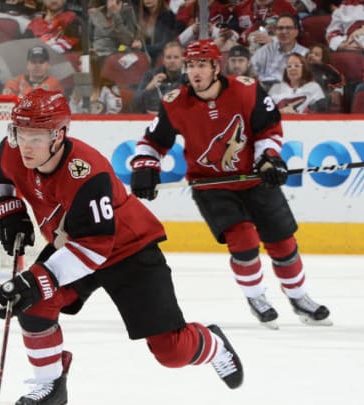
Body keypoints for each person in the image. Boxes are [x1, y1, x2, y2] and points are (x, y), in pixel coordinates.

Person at [0, 88, 244, 405]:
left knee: (171, 352)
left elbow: (95, 248)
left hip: (127, 249)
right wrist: (7, 211)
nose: (25, 145)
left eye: (36, 137)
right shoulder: (12, 151)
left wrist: (37, 280)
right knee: (33, 302)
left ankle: (213, 343)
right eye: (20, 133)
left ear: (59, 135)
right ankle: (50, 385)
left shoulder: (88, 172)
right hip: (75, 244)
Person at [130, 39, 332, 329]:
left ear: (215, 66)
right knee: (244, 243)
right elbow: (151, 142)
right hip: (212, 186)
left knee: (283, 243)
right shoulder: (176, 102)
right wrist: (145, 167)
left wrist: (269, 159)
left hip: (253, 177)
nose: (195, 71)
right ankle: (256, 298)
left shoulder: (246, 90)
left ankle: (299, 297)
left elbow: (268, 129)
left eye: (201, 64)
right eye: (190, 65)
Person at [251, 13, 307, 89]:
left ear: (296, 32)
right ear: (275, 31)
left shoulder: (304, 54)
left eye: (288, 28)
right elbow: (251, 68)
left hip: (288, 92)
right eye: (280, 28)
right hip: (262, 90)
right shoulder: (265, 50)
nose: (284, 32)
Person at [132, 40, 185, 114]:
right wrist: (149, 88)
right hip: (149, 119)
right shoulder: (150, 75)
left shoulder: (188, 79)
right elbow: (135, 104)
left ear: (183, 59)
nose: (172, 61)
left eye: (176, 57)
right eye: (168, 57)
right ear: (163, 60)